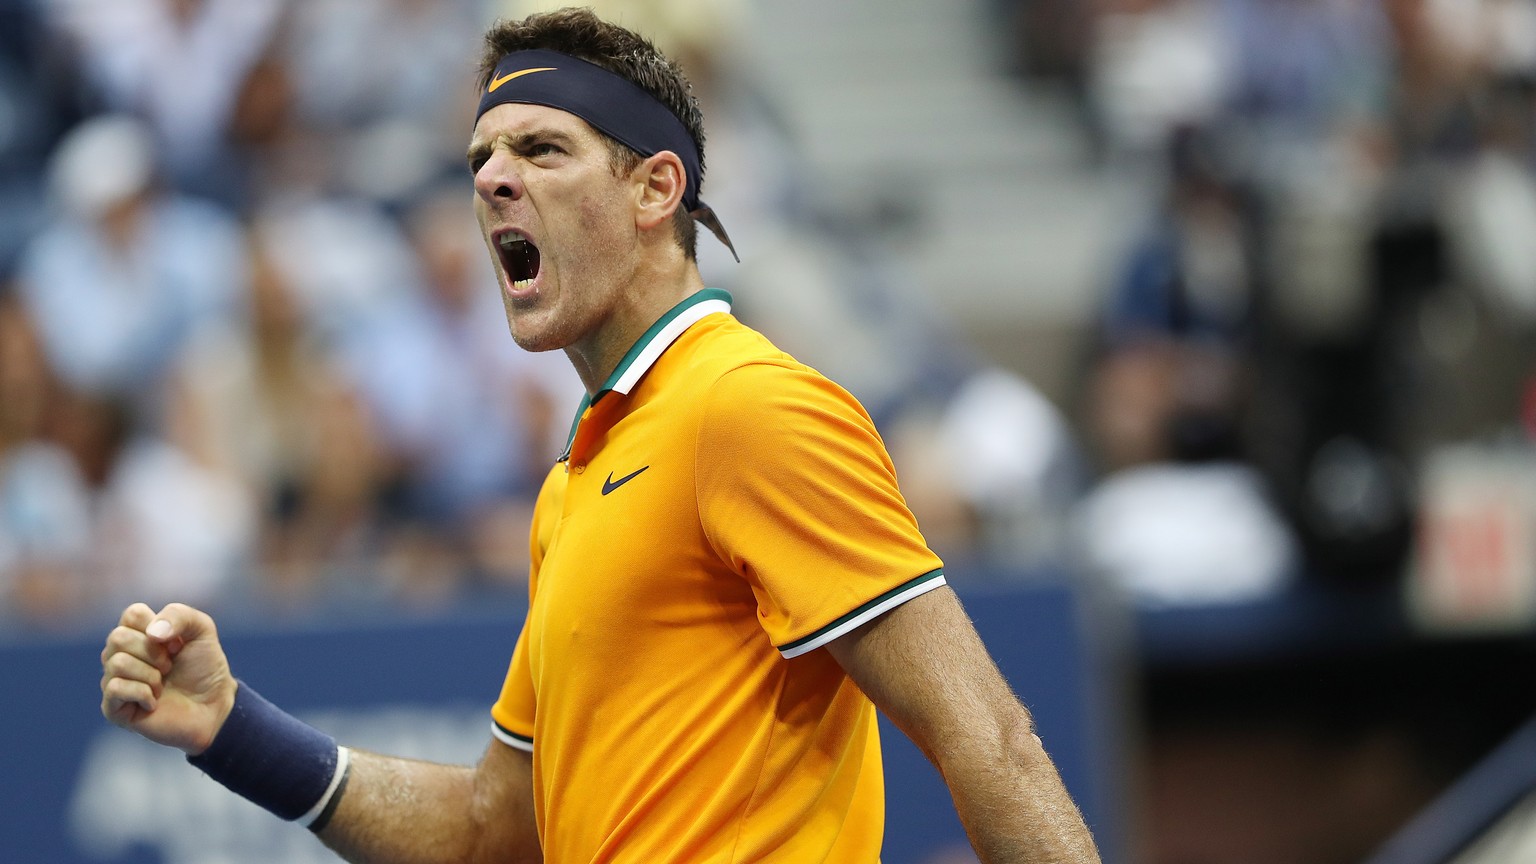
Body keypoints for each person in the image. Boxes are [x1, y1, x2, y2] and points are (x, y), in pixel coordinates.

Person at [98, 9, 1101, 863]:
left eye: (541, 149)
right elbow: (494, 828)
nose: (493, 178)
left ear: (657, 191)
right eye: (482, 157)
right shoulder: (572, 486)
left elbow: (991, 740)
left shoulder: (748, 406)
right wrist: (232, 730)